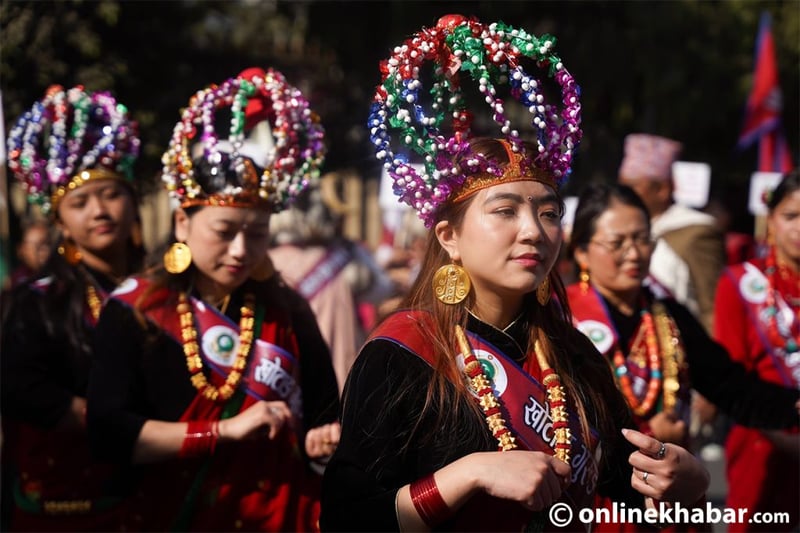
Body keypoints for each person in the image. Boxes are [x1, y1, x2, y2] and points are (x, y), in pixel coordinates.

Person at [321, 16, 710, 532]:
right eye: (505, 211)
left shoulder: (573, 357)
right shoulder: (403, 352)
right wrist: (467, 475)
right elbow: (349, 519)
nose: (534, 232)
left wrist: (688, 484)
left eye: (548, 213)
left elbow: (632, 492)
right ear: (449, 238)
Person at [85, 67, 340, 532]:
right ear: (183, 223)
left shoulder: (287, 308)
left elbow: (324, 409)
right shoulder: (135, 310)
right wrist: (222, 432)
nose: (241, 250)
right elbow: (109, 434)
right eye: (224, 232)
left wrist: (324, 437)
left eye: (257, 234)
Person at [565, 182, 800, 531]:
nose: (634, 253)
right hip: (603, 500)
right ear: (582, 252)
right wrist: (644, 430)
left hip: (675, 497)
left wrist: (793, 405)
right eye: (617, 243)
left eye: (643, 239)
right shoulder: (564, 320)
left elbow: (730, 386)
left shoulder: (666, 313)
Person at [1, 84, 144, 530]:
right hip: (64, 505)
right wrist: (125, 424)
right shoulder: (37, 301)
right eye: (80, 203)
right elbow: (23, 390)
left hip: (153, 497)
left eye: (112, 195)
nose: (99, 210)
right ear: (60, 222)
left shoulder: (164, 290)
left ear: (134, 203)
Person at [713, 169, 800, 532]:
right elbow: (733, 380)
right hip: (762, 446)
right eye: (791, 216)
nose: (799, 228)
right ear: (772, 220)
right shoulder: (740, 283)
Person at [269, 174, 396, 393]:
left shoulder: (266, 262)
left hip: (283, 379)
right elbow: (381, 290)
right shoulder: (344, 256)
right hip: (340, 377)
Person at [617, 133, 725, 334]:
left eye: (632, 187)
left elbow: (712, 307)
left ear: (663, 190)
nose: (622, 195)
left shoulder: (696, 231)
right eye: (621, 185)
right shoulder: (618, 229)